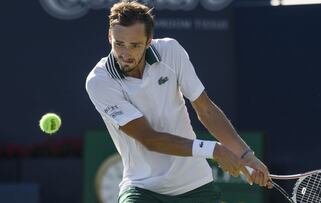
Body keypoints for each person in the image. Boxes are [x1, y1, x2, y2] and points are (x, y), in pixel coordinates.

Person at [86, 1, 272, 202]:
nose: (125, 54)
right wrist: (214, 150)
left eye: (135, 45)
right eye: (119, 44)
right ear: (109, 37)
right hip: (142, 188)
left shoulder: (171, 51)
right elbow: (149, 139)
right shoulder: (99, 81)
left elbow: (206, 110)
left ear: (149, 41)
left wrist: (246, 155)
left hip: (196, 186)